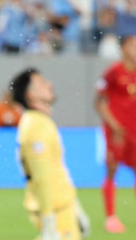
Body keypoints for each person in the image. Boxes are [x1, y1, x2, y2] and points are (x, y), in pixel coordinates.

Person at [10, 68, 91, 240]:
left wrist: (75, 207)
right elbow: (41, 176)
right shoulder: (36, 126)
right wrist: (49, 221)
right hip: (55, 212)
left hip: (61, 208)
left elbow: (56, 171)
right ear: (31, 95)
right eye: (42, 83)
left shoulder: (39, 121)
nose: (50, 84)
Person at [94, 35, 136, 234]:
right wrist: (113, 124)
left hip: (133, 129)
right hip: (115, 131)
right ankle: (111, 217)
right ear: (122, 49)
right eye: (132, 45)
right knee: (112, 170)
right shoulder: (113, 72)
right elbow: (98, 102)